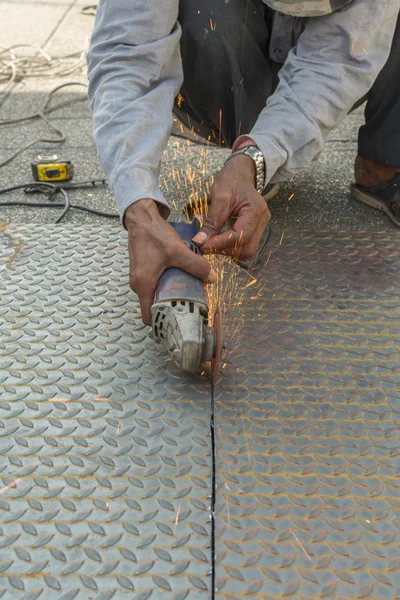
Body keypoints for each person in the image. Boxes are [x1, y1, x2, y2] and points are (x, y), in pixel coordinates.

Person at [87, 0, 400, 324]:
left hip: (333, 58)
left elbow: (337, 60)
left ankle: (385, 158)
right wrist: (138, 206)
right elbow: (126, 56)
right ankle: (249, 136)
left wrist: (256, 157)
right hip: (222, 66)